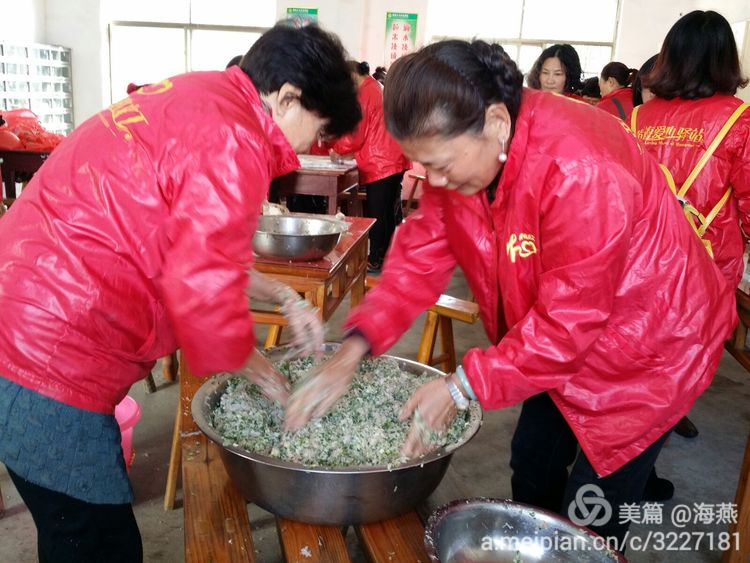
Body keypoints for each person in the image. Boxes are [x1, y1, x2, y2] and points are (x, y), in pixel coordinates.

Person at [284, 39, 736, 545]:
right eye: (424, 166)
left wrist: (460, 387)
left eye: (441, 163)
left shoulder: (579, 167)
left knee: (591, 514)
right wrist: (355, 346)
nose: (435, 180)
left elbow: (567, 328)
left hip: (648, 347)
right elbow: (419, 256)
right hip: (555, 340)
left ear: (497, 122)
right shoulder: (465, 151)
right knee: (533, 465)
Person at [0, 22, 360, 563]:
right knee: (95, 543)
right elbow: (202, 298)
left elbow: (195, 248)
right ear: (287, 97)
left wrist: (285, 298)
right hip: (48, 351)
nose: (313, 146)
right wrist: (274, 381)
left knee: (84, 532)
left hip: (24, 306)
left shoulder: (203, 96)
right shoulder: (235, 139)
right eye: (320, 128)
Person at [630, 8, 750, 489]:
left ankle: (627, 466)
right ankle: (633, 474)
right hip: (703, 271)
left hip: (640, 265)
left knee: (637, 366)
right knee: (674, 377)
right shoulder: (739, 119)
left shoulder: (640, 116)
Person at [329, 60, 410, 272]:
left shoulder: (365, 93)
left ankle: (375, 258)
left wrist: (337, 149)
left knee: (377, 214)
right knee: (388, 212)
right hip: (393, 158)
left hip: (381, 161)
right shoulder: (376, 87)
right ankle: (386, 257)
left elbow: (356, 134)